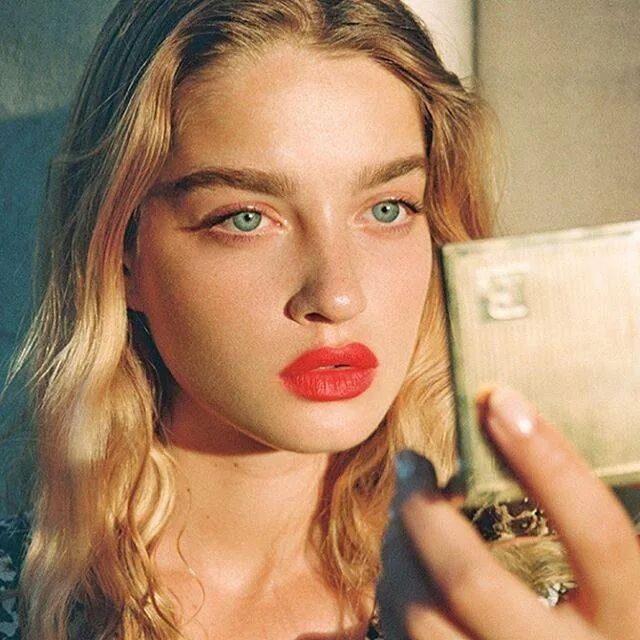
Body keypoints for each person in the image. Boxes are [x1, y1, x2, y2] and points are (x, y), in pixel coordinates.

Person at [0, 1, 638, 639]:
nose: (336, 296)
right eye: (246, 218)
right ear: (122, 253)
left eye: (387, 209)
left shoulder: (563, 595)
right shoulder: (23, 602)